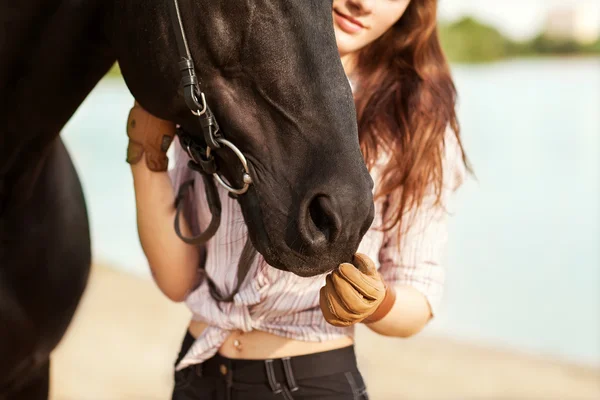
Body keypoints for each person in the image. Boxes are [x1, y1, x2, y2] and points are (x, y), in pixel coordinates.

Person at [126, 0, 470, 399]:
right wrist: (145, 155)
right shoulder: (220, 90)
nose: (362, 2)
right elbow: (177, 280)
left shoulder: (414, 118)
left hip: (309, 383)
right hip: (198, 374)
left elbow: (420, 294)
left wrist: (376, 303)